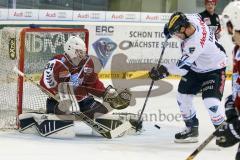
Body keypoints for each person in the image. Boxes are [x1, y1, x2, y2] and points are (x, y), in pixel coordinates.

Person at [18, 35, 136, 138]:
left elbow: (93, 84)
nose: (82, 54)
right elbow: (45, 82)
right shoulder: (57, 62)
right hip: (59, 102)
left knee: (100, 110)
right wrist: (57, 93)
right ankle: (41, 121)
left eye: (83, 52)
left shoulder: (88, 63)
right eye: (79, 51)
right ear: (70, 50)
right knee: (64, 113)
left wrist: (106, 93)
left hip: (83, 101)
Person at [149, 12, 227, 143]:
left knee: (210, 101)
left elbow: (182, 68)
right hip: (196, 67)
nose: (176, 37)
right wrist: (169, 29)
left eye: (176, 34)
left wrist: (164, 70)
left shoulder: (195, 44)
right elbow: (198, 15)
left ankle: (224, 131)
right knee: (182, 97)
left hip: (215, 68)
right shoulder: (191, 19)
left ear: (184, 28)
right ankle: (191, 129)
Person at [214, 1, 240, 160]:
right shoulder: (237, 50)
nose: (229, 31)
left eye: (230, 25)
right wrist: (233, 103)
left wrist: (237, 128)